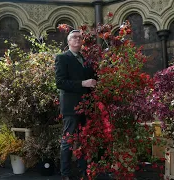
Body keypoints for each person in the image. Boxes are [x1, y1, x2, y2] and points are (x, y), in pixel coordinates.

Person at [55, 29, 97, 180]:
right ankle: (65, 173)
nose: (77, 39)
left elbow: (92, 80)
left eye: (79, 37)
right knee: (68, 140)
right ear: (68, 41)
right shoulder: (62, 58)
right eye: (74, 37)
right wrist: (83, 83)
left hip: (86, 106)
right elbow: (60, 83)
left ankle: (83, 171)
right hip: (71, 107)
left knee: (84, 140)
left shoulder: (85, 60)